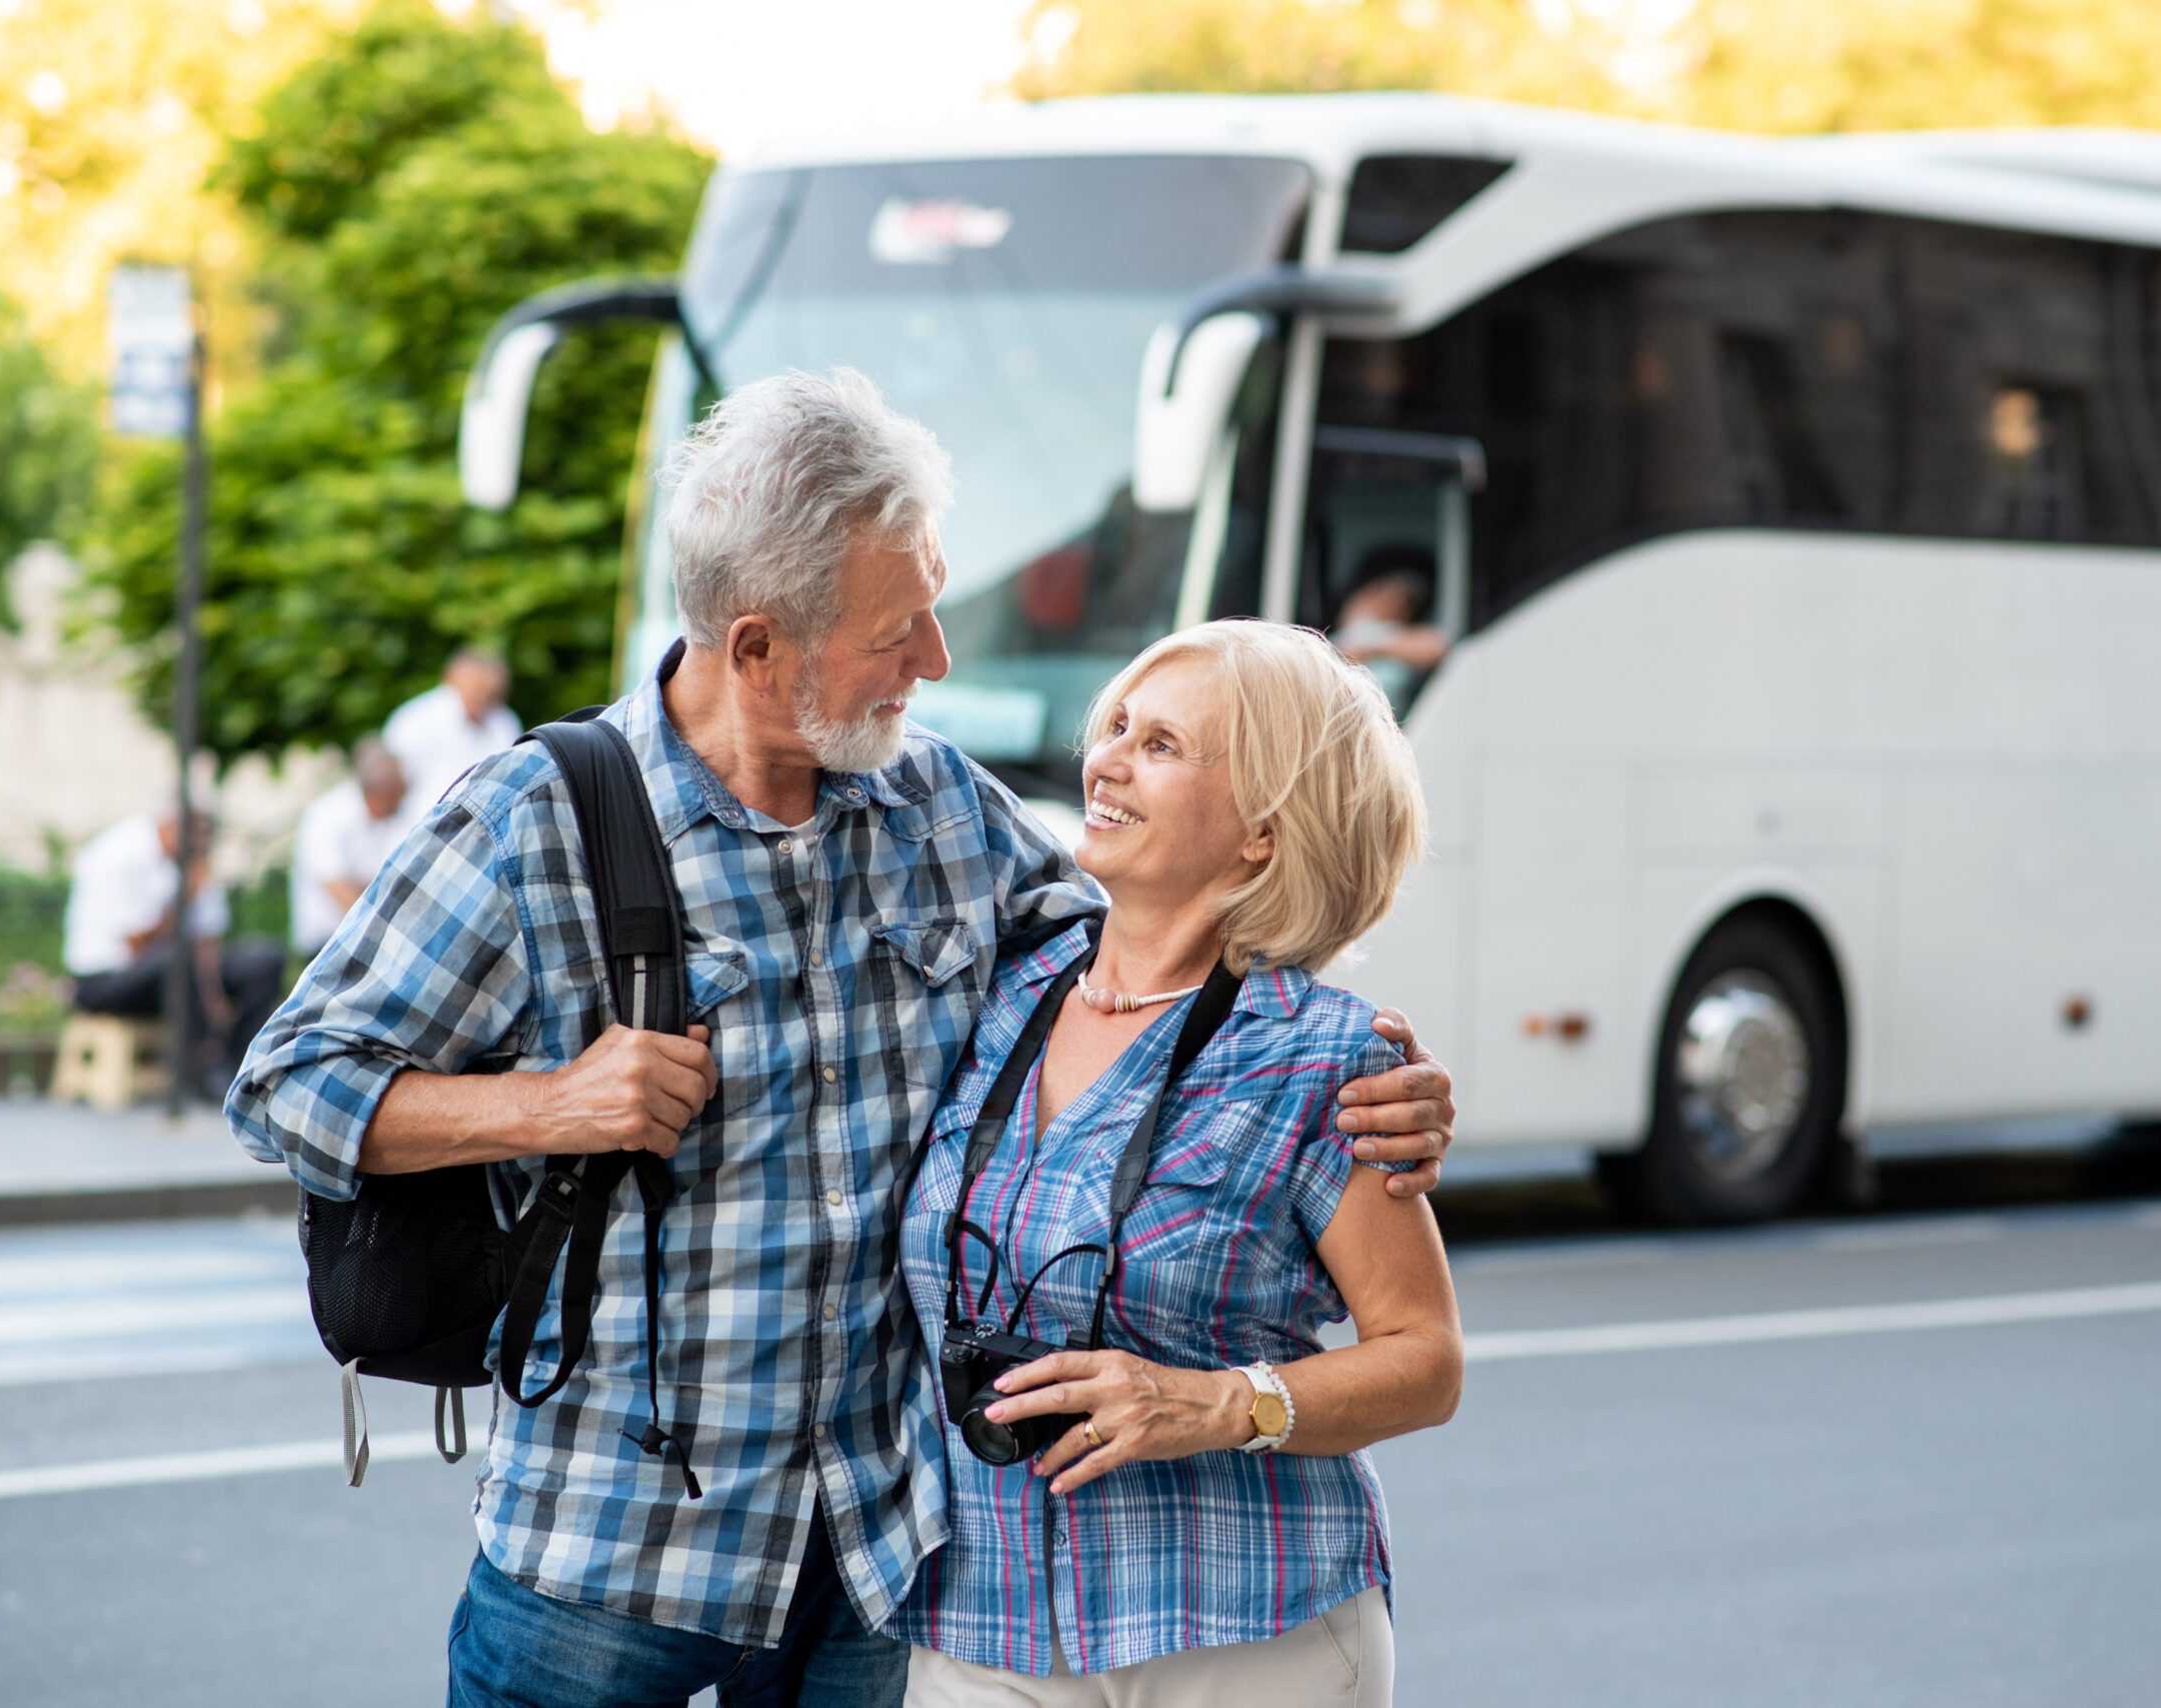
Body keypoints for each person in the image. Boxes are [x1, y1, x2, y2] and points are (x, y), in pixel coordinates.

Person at [225, 369, 1458, 1708]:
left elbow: (1164, 958)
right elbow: (286, 1084)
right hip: (608, 1558)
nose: (936, 658)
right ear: (758, 648)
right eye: (899, 627)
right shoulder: (537, 820)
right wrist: (549, 1105)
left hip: (876, 1570)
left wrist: (1371, 1064)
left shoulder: (933, 802)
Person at [893, 621, 1458, 1707]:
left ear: (1260, 830)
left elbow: (1425, 1358)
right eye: (1112, 728)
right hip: (980, 1619)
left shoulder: (1325, 1056)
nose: (1102, 760)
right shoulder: (997, 990)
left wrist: (1215, 1403)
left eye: (1159, 744)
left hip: (1244, 1626)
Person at [65, 802, 287, 1096]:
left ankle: (243, 1065)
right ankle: (200, 1071)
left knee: (262, 959)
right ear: (171, 828)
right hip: (107, 977)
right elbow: (138, 946)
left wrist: (214, 993)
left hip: (177, 967)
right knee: (176, 961)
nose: (201, 848)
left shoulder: (194, 860)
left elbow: (208, 939)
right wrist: (186, 896)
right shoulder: (120, 854)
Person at [288, 740, 412, 958]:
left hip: (372, 934)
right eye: (398, 796)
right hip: (330, 942)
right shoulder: (327, 815)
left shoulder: (391, 816)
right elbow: (337, 887)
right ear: (381, 794)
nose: (403, 802)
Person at [384, 648, 520, 808]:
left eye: (492, 695)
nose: (484, 700)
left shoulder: (504, 722)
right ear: (453, 680)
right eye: (478, 690)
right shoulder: (414, 720)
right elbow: (389, 786)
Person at [1329, 544, 1450, 676]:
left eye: (1404, 598)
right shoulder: (1335, 639)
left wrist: (1370, 643)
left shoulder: (1407, 639)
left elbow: (1436, 647)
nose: (1390, 601)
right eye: (1379, 592)